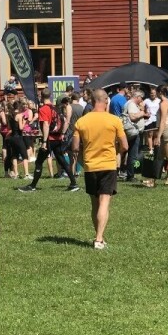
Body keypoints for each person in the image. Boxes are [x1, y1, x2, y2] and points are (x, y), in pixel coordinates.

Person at [72, 89, 128, 250]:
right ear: (106, 101)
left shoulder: (82, 121)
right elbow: (125, 145)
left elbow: (75, 147)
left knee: (94, 204)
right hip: (108, 165)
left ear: (91, 101)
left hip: (90, 166)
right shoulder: (114, 120)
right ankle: (98, 238)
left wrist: (84, 159)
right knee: (104, 202)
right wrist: (115, 151)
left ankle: (99, 236)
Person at [18, 90, 79, 193]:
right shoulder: (56, 108)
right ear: (50, 96)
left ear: (41, 96)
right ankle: (73, 183)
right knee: (62, 161)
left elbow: (46, 125)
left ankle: (33, 185)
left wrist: (44, 142)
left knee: (39, 162)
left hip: (49, 140)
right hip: (57, 138)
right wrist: (62, 134)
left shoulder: (43, 109)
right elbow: (64, 121)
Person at [121, 90, 146, 182]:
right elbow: (132, 117)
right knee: (132, 154)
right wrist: (142, 112)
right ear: (137, 97)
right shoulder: (131, 104)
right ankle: (130, 175)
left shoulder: (129, 103)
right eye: (141, 98)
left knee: (127, 153)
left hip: (131, 132)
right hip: (133, 132)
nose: (141, 100)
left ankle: (125, 172)